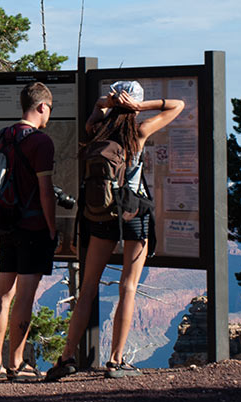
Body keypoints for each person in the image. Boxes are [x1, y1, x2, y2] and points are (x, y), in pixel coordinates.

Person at [46, 80, 184, 381]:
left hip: (101, 215)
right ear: (133, 105)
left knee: (88, 289)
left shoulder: (96, 132)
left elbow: (95, 111)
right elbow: (178, 105)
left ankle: (67, 357)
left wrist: (107, 103)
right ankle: (116, 361)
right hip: (133, 214)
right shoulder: (139, 133)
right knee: (128, 287)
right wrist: (139, 107)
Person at [0, 81, 58, 382]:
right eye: (49, 109)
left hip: (6, 224)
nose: (49, 114)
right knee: (25, 295)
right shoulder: (42, 142)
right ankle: (17, 363)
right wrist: (52, 228)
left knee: (3, 293)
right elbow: (46, 191)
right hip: (33, 226)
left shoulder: (4, 136)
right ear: (41, 107)